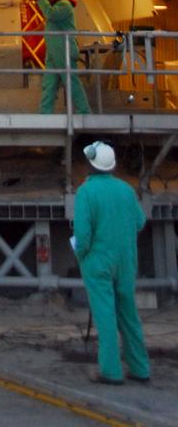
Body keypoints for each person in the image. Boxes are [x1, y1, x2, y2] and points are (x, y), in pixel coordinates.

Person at [73, 141, 150, 386]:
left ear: (91, 164)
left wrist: (80, 253)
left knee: (105, 315)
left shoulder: (86, 192)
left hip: (97, 262)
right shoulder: (126, 190)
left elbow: (83, 236)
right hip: (126, 261)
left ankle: (111, 371)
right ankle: (140, 368)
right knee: (129, 314)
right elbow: (139, 222)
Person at [36, 0, 90, 114]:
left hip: (64, 49)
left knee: (71, 80)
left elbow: (51, 15)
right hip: (54, 51)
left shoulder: (64, 5)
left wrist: (41, 0)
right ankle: (45, 112)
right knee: (49, 83)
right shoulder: (55, 6)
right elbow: (51, 18)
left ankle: (84, 110)